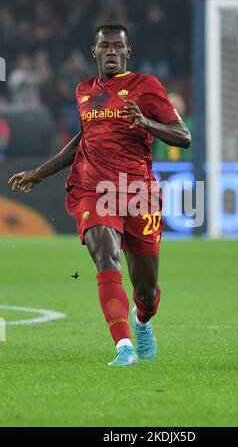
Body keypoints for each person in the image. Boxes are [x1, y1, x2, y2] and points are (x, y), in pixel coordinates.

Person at [8, 23, 191, 366]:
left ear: (127, 52)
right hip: (93, 188)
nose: (110, 52)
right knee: (106, 256)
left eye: (116, 46)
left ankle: (141, 321)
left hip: (139, 192)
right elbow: (84, 139)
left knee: (146, 290)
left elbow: (183, 136)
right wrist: (39, 173)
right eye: (104, 46)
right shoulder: (83, 90)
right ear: (94, 52)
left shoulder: (146, 87)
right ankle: (123, 346)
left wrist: (147, 124)